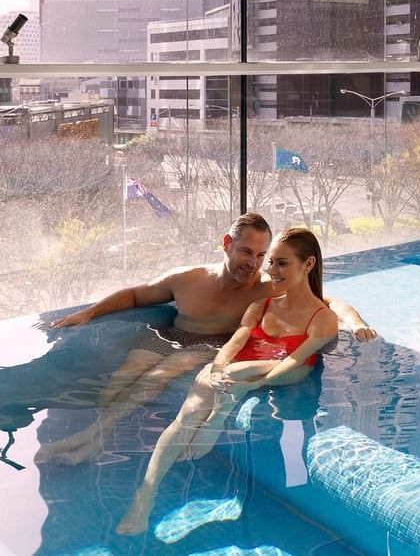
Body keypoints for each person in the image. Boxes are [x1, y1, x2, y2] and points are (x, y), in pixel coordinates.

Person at [38, 213, 374, 463]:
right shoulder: (189, 278)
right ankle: (97, 437)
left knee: (158, 376)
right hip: (168, 336)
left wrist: (356, 323)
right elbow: (136, 295)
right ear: (226, 244)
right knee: (121, 377)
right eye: (246, 252)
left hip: (211, 346)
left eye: (261, 256)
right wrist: (91, 313)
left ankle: (90, 438)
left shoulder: (266, 288)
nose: (254, 264)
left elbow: (328, 301)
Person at [117, 227, 338, 535]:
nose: (270, 271)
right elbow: (234, 344)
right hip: (243, 367)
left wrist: (250, 383)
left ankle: (217, 418)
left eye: (281, 263)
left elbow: (293, 362)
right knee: (192, 405)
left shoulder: (323, 318)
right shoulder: (260, 307)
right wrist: (218, 367)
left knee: (236, 375)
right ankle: (146, 494)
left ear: (308, 265)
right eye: (270, 262)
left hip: (287, 369)